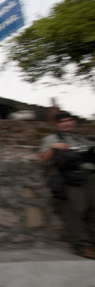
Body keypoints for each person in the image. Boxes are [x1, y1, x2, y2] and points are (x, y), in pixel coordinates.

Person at [40, 111, 95, 259]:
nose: (67, 123)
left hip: (90, 177)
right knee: (76, 212)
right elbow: (43, 159)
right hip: (71, 179)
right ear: (57, 124)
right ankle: (81, 246)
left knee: (92, 211)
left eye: (69, 120)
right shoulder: (52, 138)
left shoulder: (82, 139)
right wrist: (53, 147)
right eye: (63, 121)